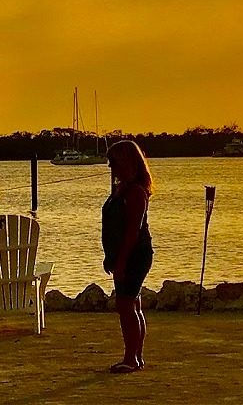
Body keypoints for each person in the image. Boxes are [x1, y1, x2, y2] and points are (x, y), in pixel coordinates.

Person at [103, 139, 153, 373]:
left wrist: (121, 261)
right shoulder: (122, 189)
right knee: (133, 304)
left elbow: (133, 231)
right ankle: (135, 357)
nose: (111, 168)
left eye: (114, 163)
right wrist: (110, 257)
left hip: (135, 255)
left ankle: (131, 357)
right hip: (123, 254)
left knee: (126, 306)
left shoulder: (136, 193)